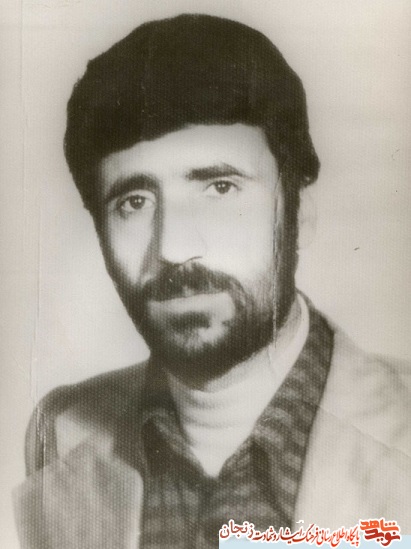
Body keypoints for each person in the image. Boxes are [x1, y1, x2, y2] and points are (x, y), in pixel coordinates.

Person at [14, 14, 410, 549]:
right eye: (134, 202)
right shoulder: (61, 433)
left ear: (300, 213)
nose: (175, 248)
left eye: (220, 188)